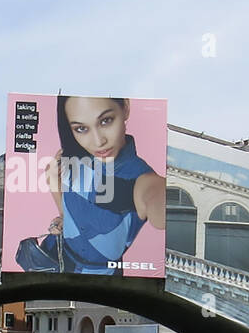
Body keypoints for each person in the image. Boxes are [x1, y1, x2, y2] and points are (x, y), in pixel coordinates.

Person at [46, 96, 166, 274]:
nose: (98, 141)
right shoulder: (69, 156)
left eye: (105, 121)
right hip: (52, 255)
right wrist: (64, 217)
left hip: (100, 278)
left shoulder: (143, 179)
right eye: (81, 128)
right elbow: (52, 177)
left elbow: (159, 205)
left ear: (125, 107)